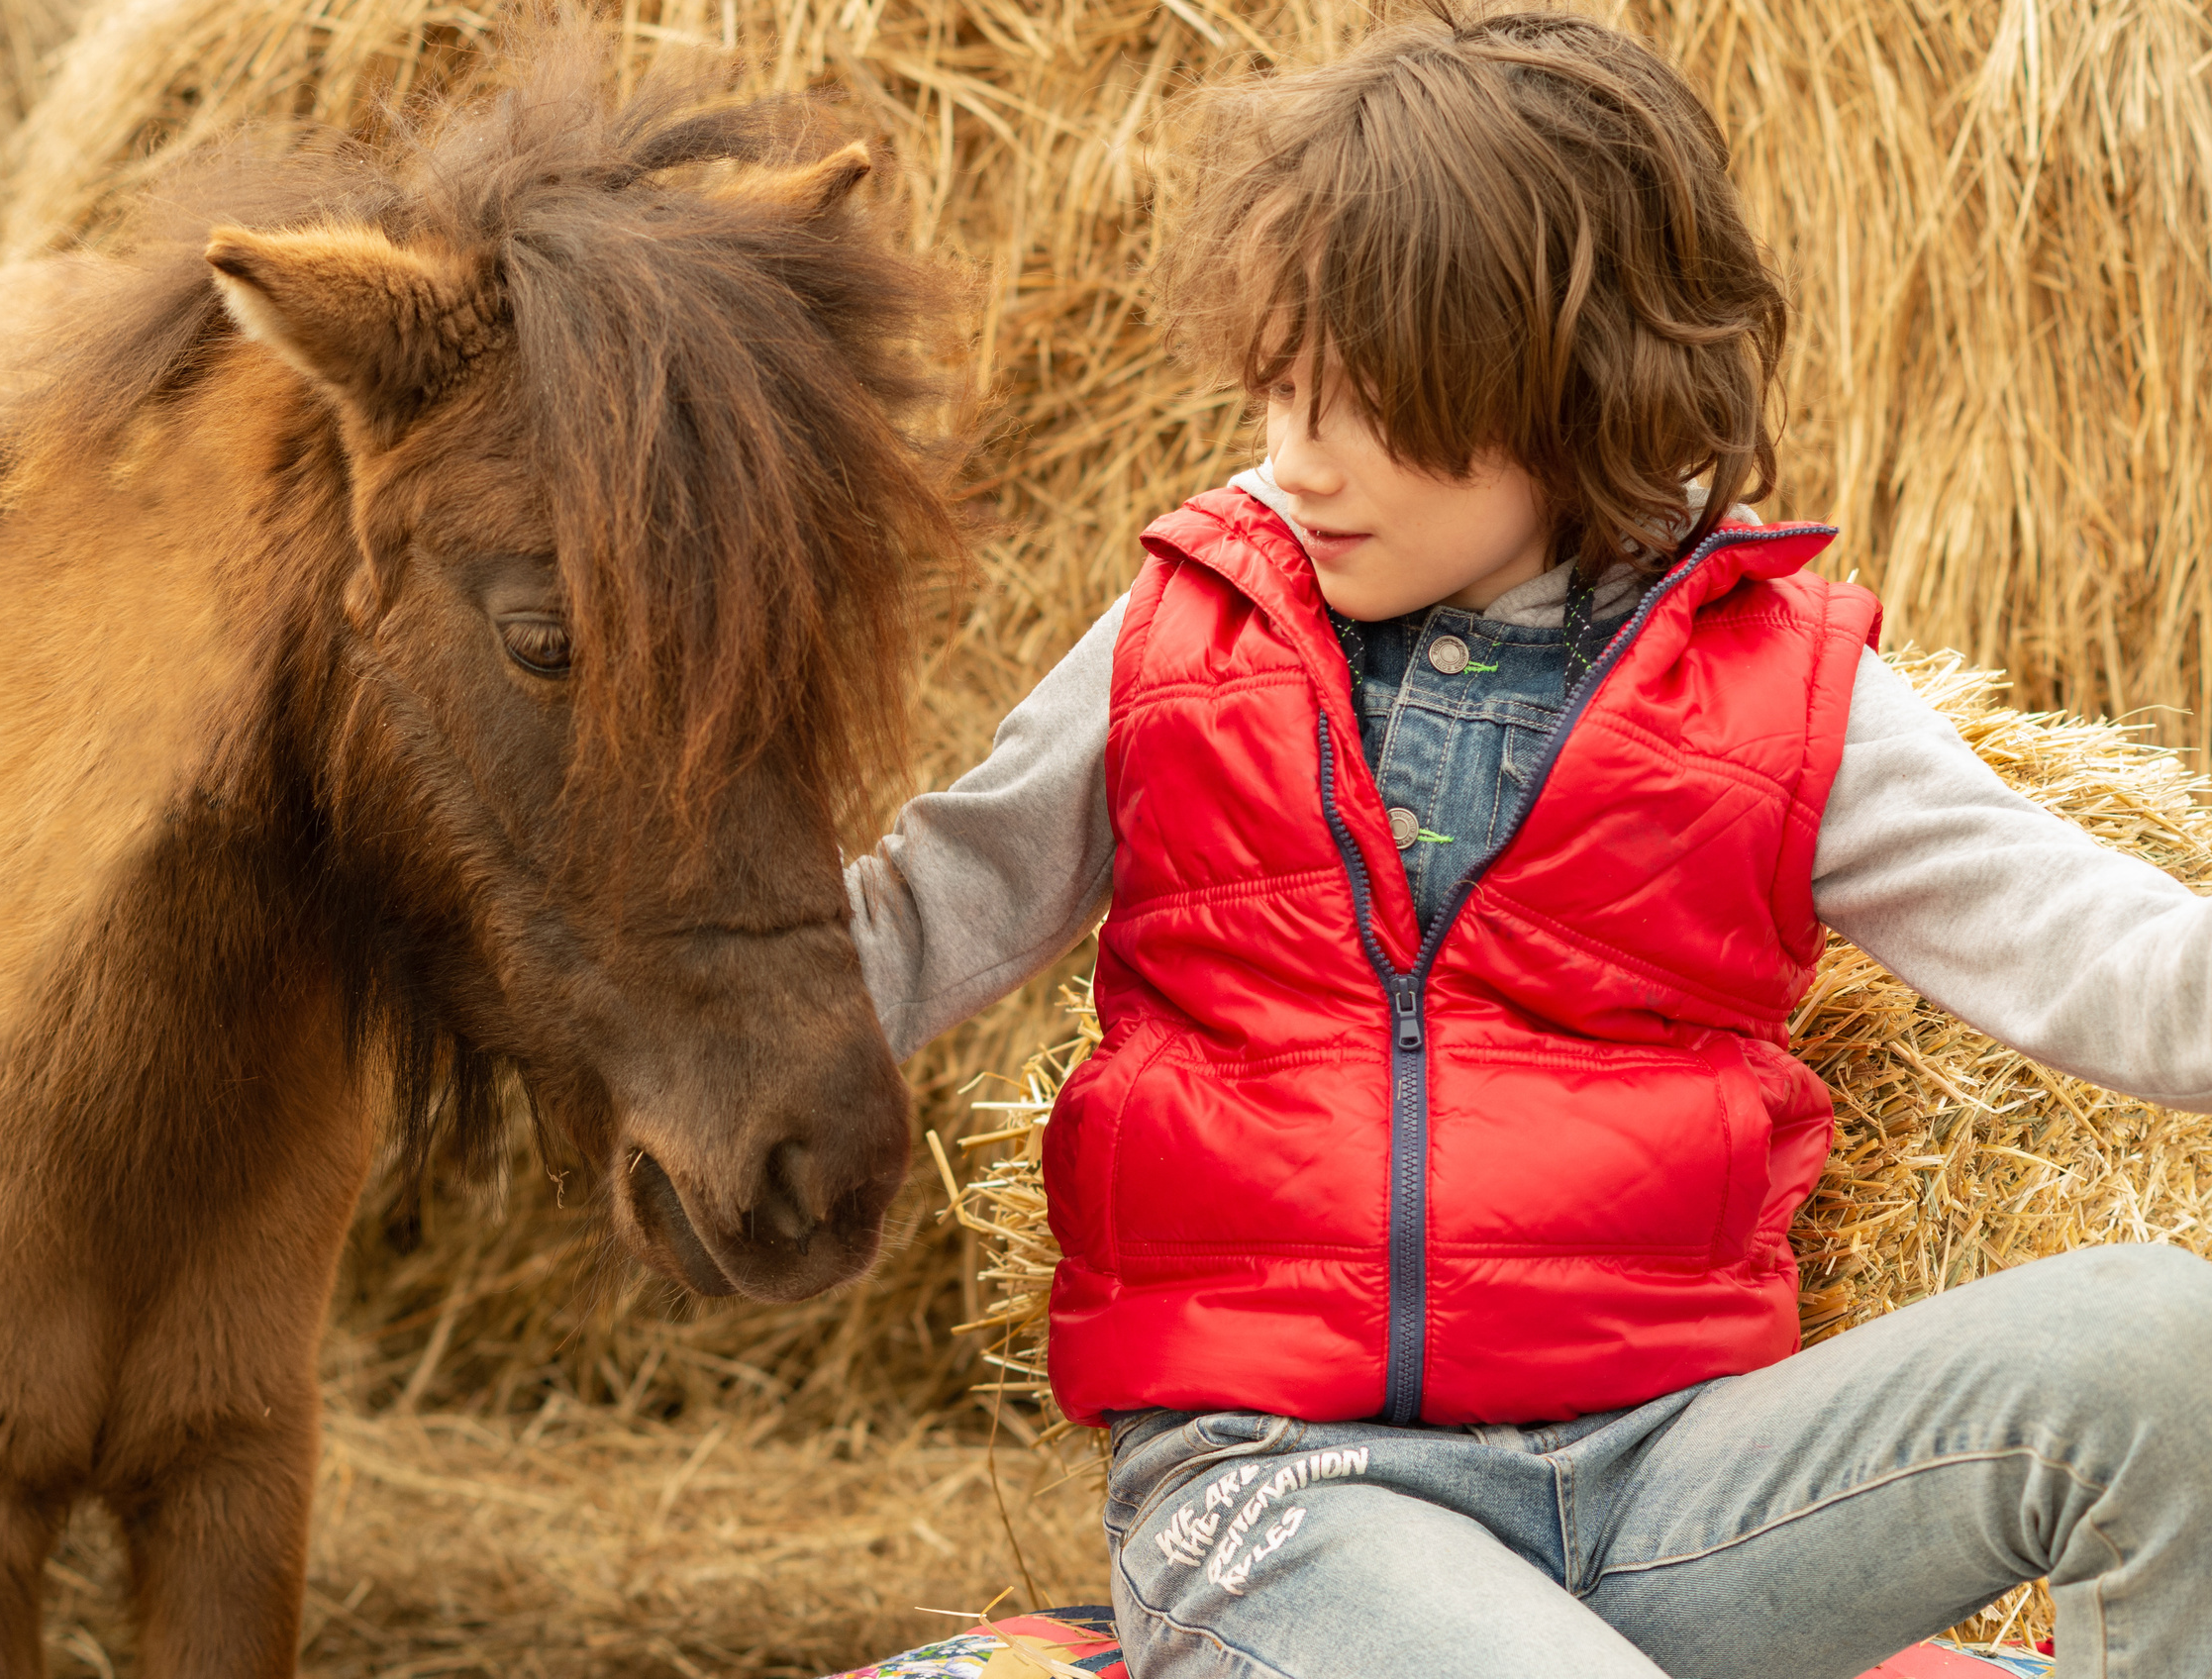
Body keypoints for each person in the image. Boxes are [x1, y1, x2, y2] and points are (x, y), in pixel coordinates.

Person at [842, 7, 2212, 1677]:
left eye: (1364, 403)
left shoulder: (1777, 688)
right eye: (1277, 386)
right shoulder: (1187, 629)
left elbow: (2108, 957)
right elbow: (925, 915)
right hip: (1290, 1494)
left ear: (1562, 387)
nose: (1295, 457)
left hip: (1669, 1482)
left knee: (2163, 1349)